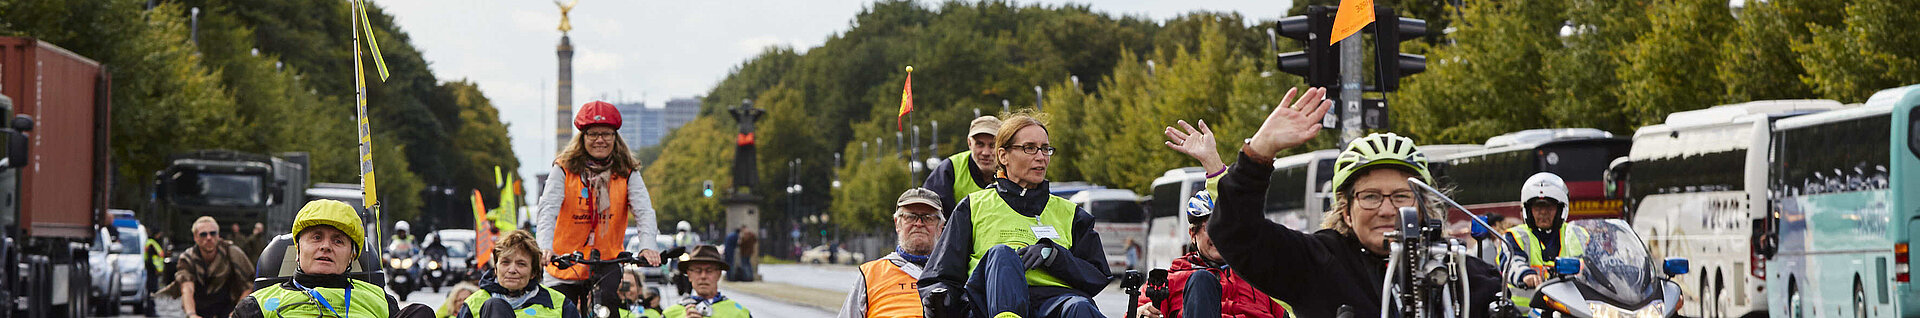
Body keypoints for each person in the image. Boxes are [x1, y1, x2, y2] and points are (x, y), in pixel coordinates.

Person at [1203, 87, 1501, 318]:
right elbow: (1236, 232)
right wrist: (1259, 154)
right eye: (1370, 197)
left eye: (1400, 196)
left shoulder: (1462, 273)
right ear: (1345, 211)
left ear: (1422, 206)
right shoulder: (1318, 262)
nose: (1387, 210)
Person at [919, 112, 1112, 318]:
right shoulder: (973, 207)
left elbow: (1096, 276)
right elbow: (939, 276)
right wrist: (938, 298)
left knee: (1080, 307)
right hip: (989, 305)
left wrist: (1053, 255)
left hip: (1056, 303)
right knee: (1002, 254)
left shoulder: (1072, 214)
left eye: (1045, 149)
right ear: (1003, 156)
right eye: (1029, 148)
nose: (1040, 157)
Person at [538, 100, 664, 316]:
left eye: (606, 134)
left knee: (608, 305)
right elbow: (547, 210)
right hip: (565, 261)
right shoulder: (564, 169)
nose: (600, 140)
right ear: (582, 138)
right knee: (558, 310)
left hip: (607, 259)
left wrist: (647, 246)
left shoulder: (627, 172)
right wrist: (544, 247)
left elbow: (644, 211)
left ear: (615, 138)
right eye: (593, 134)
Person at [231, 199, 429, 318]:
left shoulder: (380, 302)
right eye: (316, 237)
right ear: (298, 249)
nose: (325, 246)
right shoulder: (257, 307)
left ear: (352, 255)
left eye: (338, 241)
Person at [1134, 191, 1290, 318]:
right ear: (1192, 234)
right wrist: (1140, 313)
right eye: (1212, 227)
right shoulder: (1169, 281)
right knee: (1201, 280)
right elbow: (1138, 312)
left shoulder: (1260, 277)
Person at [837, 188, 946, 318]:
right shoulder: (870, 274)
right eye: (910, 217)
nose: (918, 223)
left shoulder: (954, 272)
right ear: (897, 224)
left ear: (941, 227)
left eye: (928, 218)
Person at [1502, 172, 1590, 309]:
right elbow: (1511, 262)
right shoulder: (1515, 236)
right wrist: (1526, 275)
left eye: (1549, 207)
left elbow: (1596, 264)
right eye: (1538, 207)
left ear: (1561, 209)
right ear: (1529, 210)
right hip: (1524, 313)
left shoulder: (1578, 234)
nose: (1543, 212)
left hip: (1571, 310)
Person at [457, 230, 579, 318]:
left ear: (533, 272)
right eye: (505, 262)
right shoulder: (473, 304)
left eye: (521, 264)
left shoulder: (560, 304)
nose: (512, 270)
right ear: (496, 268)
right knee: (494, 305)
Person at [156, 216, 254, 318]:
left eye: (213, 233)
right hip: (200, 309)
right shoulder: (188, 258)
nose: (208, 238)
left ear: (218, 235)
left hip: (227, 306)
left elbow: (249, 285)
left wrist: (236, 313)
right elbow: (186, 288)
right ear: (195, 237)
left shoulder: (233, 252)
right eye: (203, 234)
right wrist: (191, 314)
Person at [922, 115, 1003, 217]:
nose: (985, 152)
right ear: (969, 143)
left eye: (992, 145)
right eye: (980, 144)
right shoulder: (950, 169)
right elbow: (928, 211)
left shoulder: (1013, 170)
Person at [664, 245, 752, 318]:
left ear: (719, 274)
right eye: (698, 271)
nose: (703, 276)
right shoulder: (670, 314)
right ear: (689, 275)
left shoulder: (740, 313)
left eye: (709, 271)